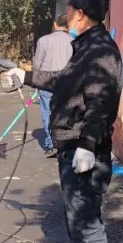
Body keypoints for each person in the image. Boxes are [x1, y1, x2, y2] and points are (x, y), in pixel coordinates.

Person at [3, 0, 123, 243]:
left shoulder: (101, 51)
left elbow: (101, 103)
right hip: (72, 146)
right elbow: (62, 81)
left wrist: (88, 144)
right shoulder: (85, 47)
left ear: (80, 14)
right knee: (76, 221)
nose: (66, 16)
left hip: (85, 150)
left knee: (86, 224)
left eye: (70, 11)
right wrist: (25, 76)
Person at [32, 14, 74, 158]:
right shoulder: (74, 41)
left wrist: (35, 80)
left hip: (46, 82)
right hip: (67, 82)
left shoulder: (44, 40)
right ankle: (66, 143)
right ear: (68, 26)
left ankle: (52, 144)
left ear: (55, 24)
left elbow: (37, 63)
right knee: (66, 112)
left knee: (48, 113)